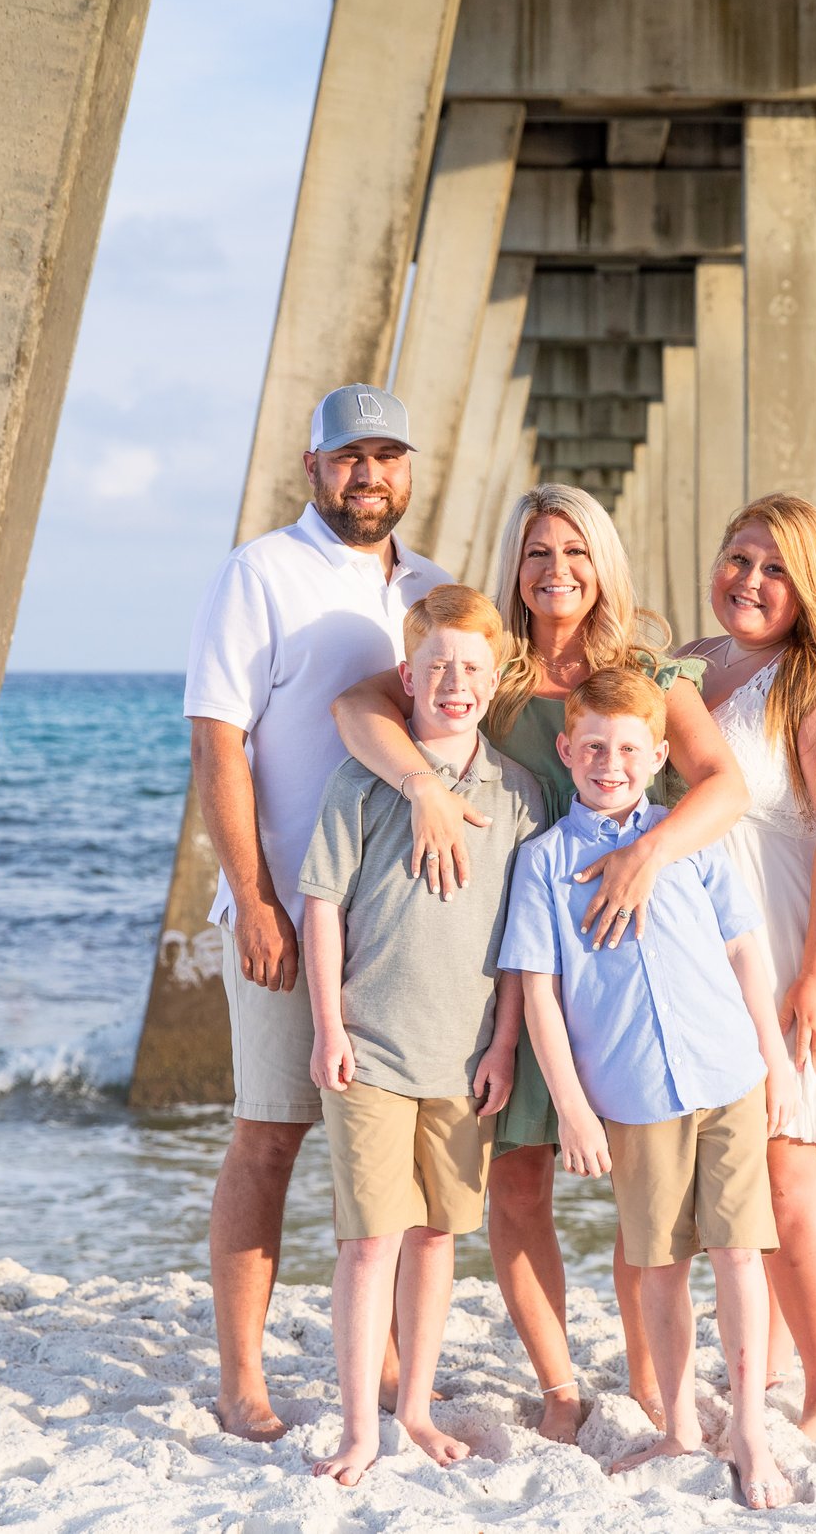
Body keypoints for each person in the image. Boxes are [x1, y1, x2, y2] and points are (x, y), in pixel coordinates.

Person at [329, 483, 750, 1440]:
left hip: (630, 966)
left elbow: (721, 786)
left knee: (649, 1185)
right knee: (518, 1183)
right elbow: (355, 704)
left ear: (602, 560)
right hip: (516, 966)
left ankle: (652, 1382)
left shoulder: (652, 668)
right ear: (515, 569)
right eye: (535, 553)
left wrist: (648, 853)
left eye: (574, 551)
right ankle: (562, 1386)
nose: (556, 570)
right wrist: (420, 790)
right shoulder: (494, 670)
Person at [182, 383, 450, 1441]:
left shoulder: (432, 587)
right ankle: (241, 1375)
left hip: (402, 922)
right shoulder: (259, 572)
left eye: (387, 455)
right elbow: (218, 744)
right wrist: (251, 898)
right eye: (349, 456)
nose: (368, 474)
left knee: (386, 1143)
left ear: (410, 469)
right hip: (290, 911)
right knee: (269, 1137)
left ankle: (384, 1355)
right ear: (314, 466)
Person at [502, 667, 799, 1510]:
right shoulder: (544, 864)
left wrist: (775, 1060)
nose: (610, 762)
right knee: (660, 1264)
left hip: (728, 1073)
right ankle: (680, 1428)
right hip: (631, 1099)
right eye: (592, 747)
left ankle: (748, 1428)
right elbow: (539, 997)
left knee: (741, 1253)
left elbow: (745, 950)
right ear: (567, 750)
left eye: (630, 748)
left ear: (658, 753)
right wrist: (571, 1108)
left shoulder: (686, 838)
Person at [300, 584, 546, 1486]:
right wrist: (328, 1023)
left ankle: (415, 1407)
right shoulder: (362, 778)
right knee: (370, 1240)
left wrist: (506, 1044)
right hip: (367, 1046)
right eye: (436, 665)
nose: (453, 682)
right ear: (405, 674)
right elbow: (321, 903)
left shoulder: (516, 796)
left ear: (495, 682)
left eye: (472, 668)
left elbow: (525, 939)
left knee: (438, 1237)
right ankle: (360, 1425)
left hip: (464, 1054)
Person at [679, 493, 816, 1442]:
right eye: (739, 558)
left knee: (787, 1168)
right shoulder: (696, 661)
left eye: (774, 568)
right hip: (718, 943)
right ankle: (763, 1364)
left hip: (804, 937)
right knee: (733, 1164)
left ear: (809, 585)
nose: (751, 581)